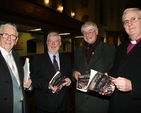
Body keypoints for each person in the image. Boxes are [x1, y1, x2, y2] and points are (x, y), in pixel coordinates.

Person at [72, 21, 116, 113]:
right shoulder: (78, 51)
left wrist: (107, 78)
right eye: (84, 32)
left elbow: (114, 72)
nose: (87, 35)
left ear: (96, 32)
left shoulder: (110, 49)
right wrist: (74, 73)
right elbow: (75, 67)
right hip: (81, 100)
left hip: (100, 100)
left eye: (90, 31)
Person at [108, 8, 141, 113]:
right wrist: (107, 79)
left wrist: (133, 86)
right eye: (126, 22)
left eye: (133, 19)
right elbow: (116, 70)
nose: (129, 23)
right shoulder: (121, 47)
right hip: (116, 105)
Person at [30, 32, 72, 113]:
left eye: (56, 41)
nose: (53, 44)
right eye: (50, 41)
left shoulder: (67, 59)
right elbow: (34, 79)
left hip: (62, 104)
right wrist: (48, 85)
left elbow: (70, 74)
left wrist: (69, 80)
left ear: (60, 44)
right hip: (45, 105)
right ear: (46, 43)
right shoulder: (37, 59)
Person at [0, 23, 32, 113]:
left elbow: (20, 84)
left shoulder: (18, 58)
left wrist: (28, 85)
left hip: (21, 107)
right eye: (5, 34)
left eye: (13, 36)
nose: (9, 38)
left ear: (16, 40)